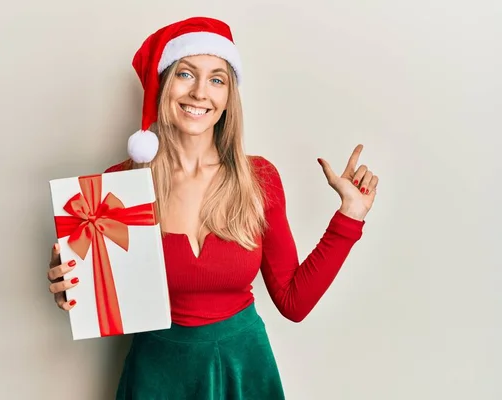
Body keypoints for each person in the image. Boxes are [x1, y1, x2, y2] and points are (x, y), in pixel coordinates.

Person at [47, 16, 379, 399]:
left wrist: (350, 216)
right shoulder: (119, 187)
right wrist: (70, 287)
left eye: (217, 79)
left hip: (245, 370)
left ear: (228, 97)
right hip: (158, 375)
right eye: (186, 75)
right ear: (163, 85)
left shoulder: (259, 177)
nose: (201, 92)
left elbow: (294, 302)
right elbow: (96, 299)